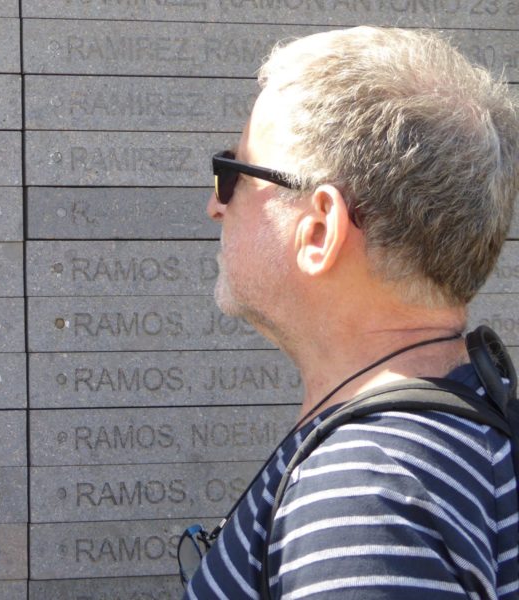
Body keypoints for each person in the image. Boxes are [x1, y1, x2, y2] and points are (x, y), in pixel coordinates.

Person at [182, 26, 519, 599]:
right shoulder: (476, 420)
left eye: (234, 172)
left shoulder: (364, 495)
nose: (215, 203)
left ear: (318, 231)